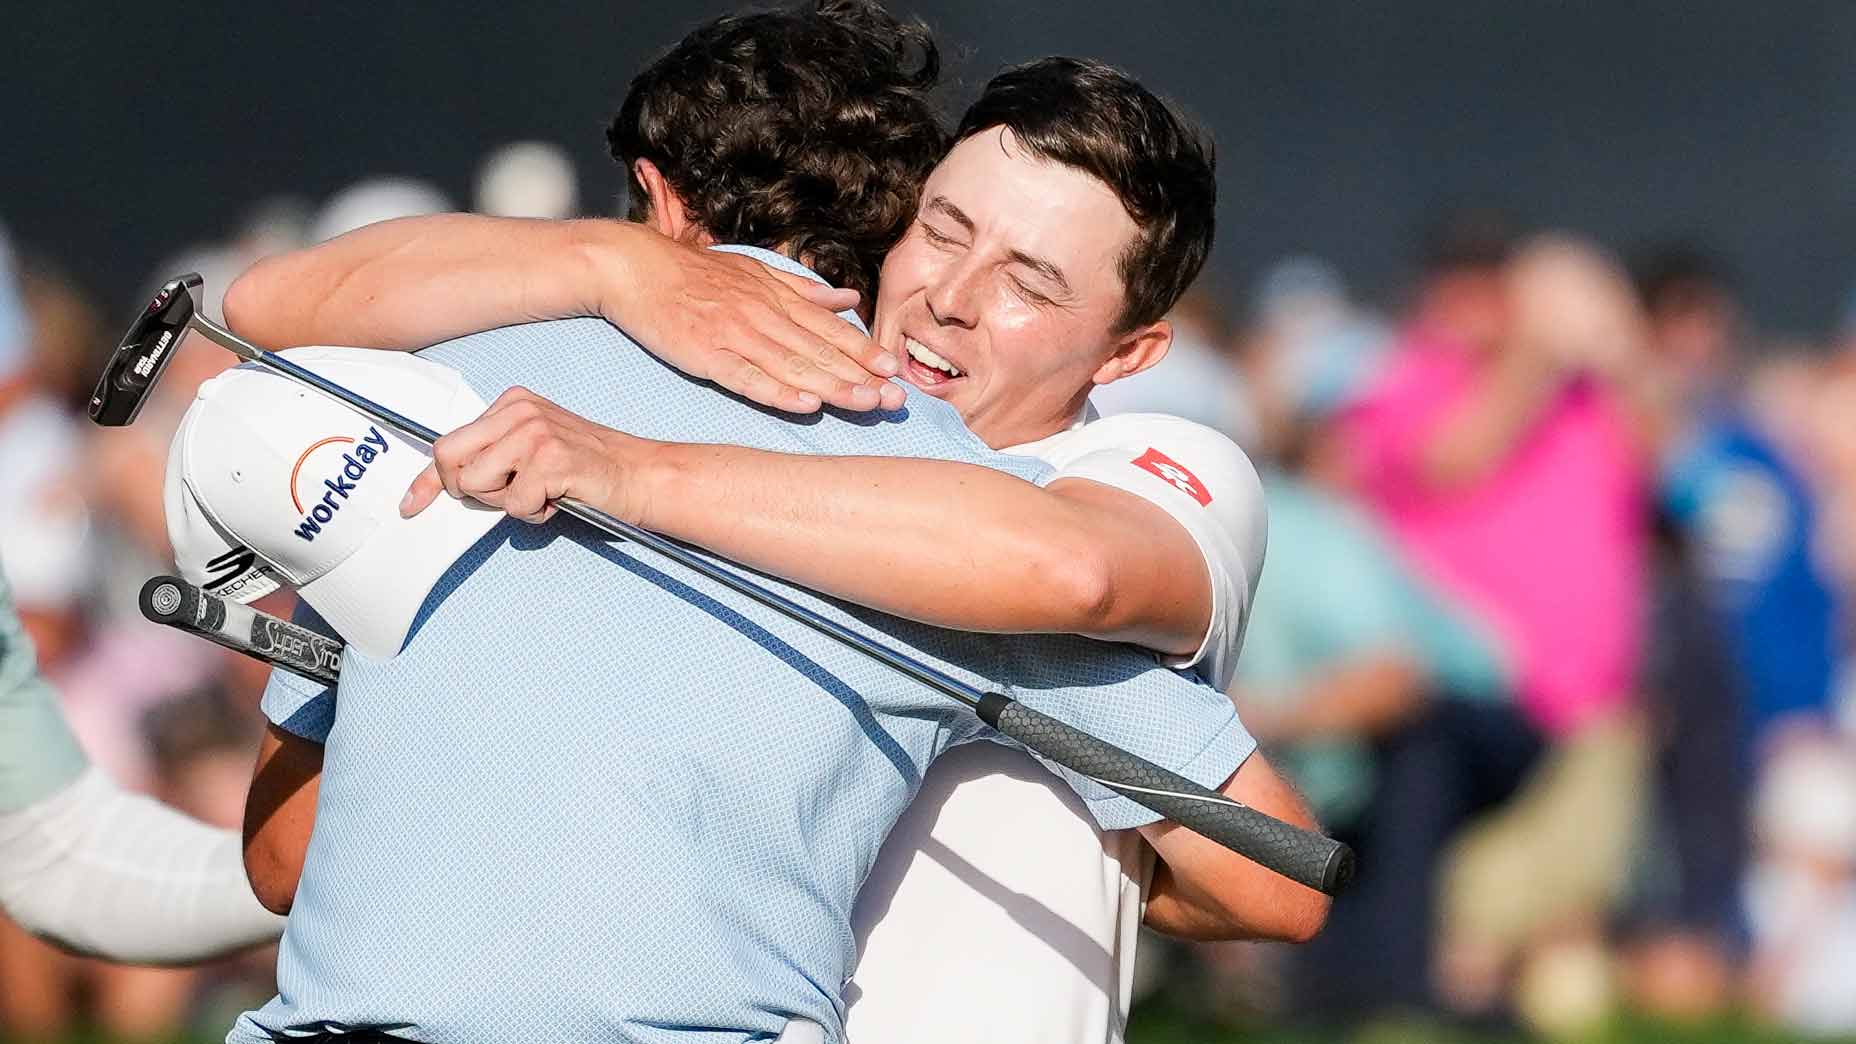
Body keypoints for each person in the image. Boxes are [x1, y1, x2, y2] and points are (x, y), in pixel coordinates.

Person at [180, 6, 1323, 1043]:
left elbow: (1064, 567)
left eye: (1030, 282)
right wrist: (613, 271)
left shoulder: (1092, 492)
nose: (950, 295)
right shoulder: (909, 483)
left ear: (1130, 355)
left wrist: (619, 465)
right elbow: (1270, 875)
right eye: (942, 229)